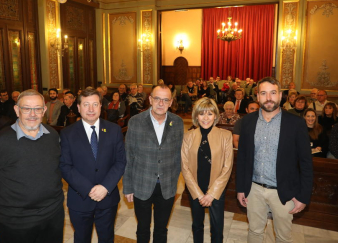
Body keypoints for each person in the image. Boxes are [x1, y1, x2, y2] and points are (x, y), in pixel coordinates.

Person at [0, 89, 64, 243]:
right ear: (17, 110)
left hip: (53, 215)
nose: (33, 114)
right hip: (16, 221)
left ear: (44, 110)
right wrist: (10, 196)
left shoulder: (53, 135)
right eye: (26, 108)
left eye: (37, 108)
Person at [236, 76, 313, 243]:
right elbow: (242, 158)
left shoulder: (296, 123)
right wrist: (241, 188)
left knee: (283, 237)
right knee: (255, 232)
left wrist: (303, 196)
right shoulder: (248, 121)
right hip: (254, 189)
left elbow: (306, 163)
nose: (268, 98)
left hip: (283, 191)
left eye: (273, 93)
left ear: (280, 96)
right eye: (263, 93)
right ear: (257, 97)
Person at [60, 88, 126, 243]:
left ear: (101, 106)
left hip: (107, 198)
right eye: (86, 104)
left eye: (95, 104)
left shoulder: (114, 130)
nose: (91, 109)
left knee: (106, 238)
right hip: (80, 199)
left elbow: (120, 161)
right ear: (78, 107)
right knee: (81, 238)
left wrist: (105, 187)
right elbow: (65, 166)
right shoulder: (67, 133)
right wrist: (88, 189)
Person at [123, 84, 184, 243]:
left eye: (165, 100)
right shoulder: (135, 122)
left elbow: (179, 154)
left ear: (171, 102)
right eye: (157, 98)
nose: (161, 103)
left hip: (167, 186)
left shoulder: (177, 122)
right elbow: (129, 156)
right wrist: (128, 187)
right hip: (141, 184)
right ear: (150, 99)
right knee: (142, 229)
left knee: (161, 229)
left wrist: (174, 180)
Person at [181, 97, 233, 243]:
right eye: (201, 113)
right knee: (197, 225)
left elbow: (227, 167)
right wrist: (198, 193)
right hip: (194, 188)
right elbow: (184, 167)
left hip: (216, 189)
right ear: (196, 116)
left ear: (215, 115)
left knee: (217, 228)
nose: (205, 118)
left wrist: (212, 193)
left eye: (209, 114)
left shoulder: (225, 135)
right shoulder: (188, 136)